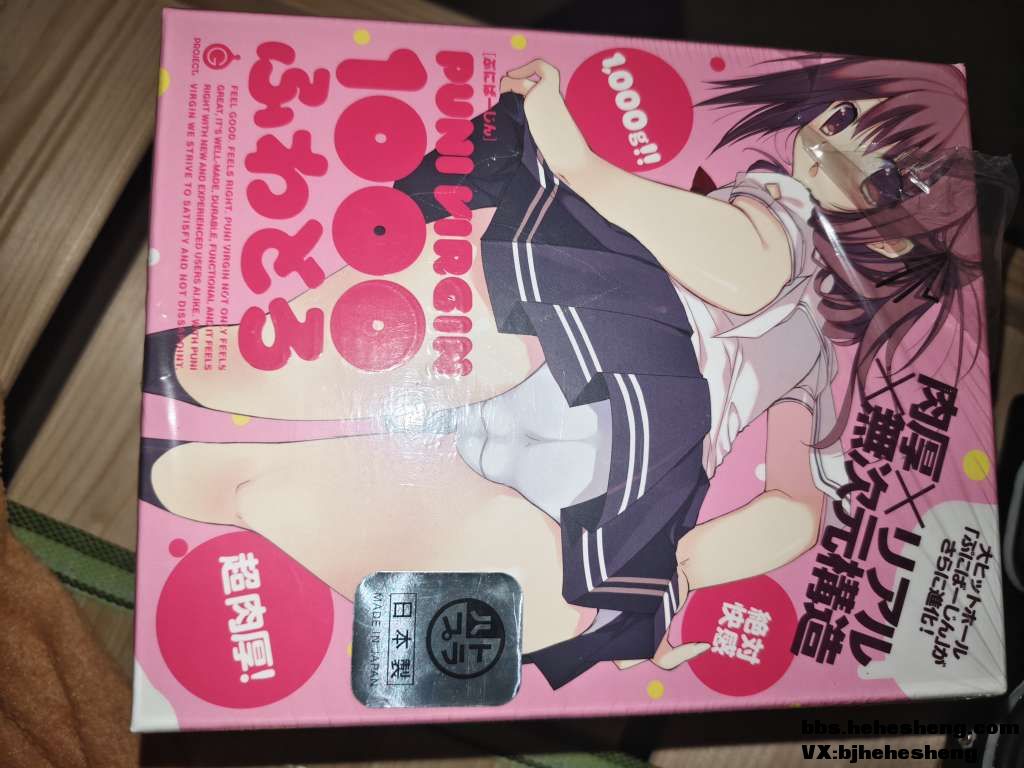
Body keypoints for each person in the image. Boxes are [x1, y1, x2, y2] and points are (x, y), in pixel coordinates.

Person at [142, 56, 980, 688]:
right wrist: (679, 571)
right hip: (613, 442)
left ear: (899, 238)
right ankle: (226, 428)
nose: (830, 151)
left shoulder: (779, 240)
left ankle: (226, 459)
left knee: (523, 568)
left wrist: (574, 156)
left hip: (617, 406)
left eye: (878, 175)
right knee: (465, 327)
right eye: (842, 115)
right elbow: (796, 508)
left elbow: (746, 284)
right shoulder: (785, 266)